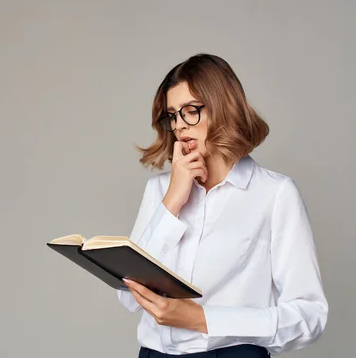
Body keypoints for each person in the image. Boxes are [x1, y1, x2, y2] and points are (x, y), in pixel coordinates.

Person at [117, 53, 328, 357]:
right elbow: (129, 299)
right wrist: (173, 201)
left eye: (191, 111)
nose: (179, 126)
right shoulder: (160, 191)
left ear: (222, 108)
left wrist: (204, 320)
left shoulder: (275, 194)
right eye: (173, 115)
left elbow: (310, 315)